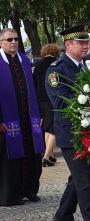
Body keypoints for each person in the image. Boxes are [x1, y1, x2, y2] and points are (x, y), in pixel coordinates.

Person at [45, 24, 90, 221]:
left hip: (89, 131)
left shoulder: (88, 65)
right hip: (71, 134)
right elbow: (60, 102)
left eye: (87, 42)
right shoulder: (56, 71)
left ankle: (62, 215)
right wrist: (88, 97)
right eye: (81, 43)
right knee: (84, 180)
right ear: (68, 44)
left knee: (78, 178)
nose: (86, 46)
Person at [0, 28, 45, 206]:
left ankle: (30, 190)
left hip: (28, 118)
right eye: (9, 39)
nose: (13, 42)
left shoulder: (25, 61)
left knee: (32, 154)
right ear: (1, 42)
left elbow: (35, 89)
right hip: (7, 121)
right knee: (9, 158)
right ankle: (9, 194)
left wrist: (39, 113)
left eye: (16, 39)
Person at [33, 44, 60, 167]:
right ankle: (46, 156)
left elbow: (34, 85)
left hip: (40, 100)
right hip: (52, 99)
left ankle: (50, 154)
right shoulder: (57, 64)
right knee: (53, 128)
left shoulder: (37, 66)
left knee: (46, 128)